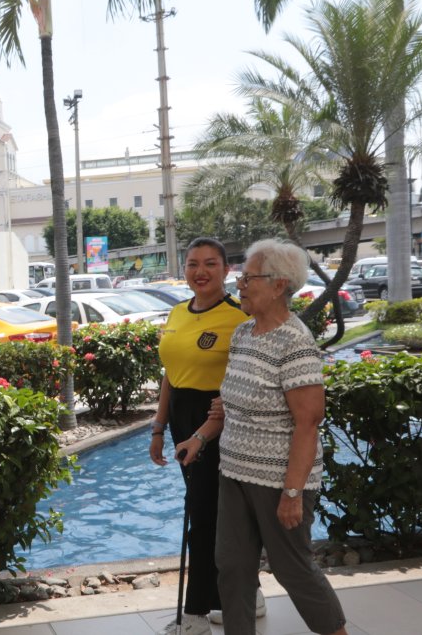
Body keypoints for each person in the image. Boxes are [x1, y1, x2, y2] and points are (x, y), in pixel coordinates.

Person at [177, 238, 348, 635]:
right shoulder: (243, 334)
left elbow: (308, 423)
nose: (239, 285)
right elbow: (228, 405)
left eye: (248, 278)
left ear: (278, 285)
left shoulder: (295, 343)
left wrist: (293, 493)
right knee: (232, 567)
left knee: (293, 570)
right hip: (234, 472)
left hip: (278, 480)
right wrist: (200, 437)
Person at [150, 237, 263, 635]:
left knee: (203, 515)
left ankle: (196, 613)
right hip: (181, 417)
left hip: (219, 418)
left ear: (227, 270)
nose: (200, 271)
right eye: (193, 263)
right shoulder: (177, 312)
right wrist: (159, 427)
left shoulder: (238, 317)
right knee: (213, 512)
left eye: (211, 263)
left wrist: (214, 418)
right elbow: (170, 374)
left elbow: (248, 378)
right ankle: (248, 592)